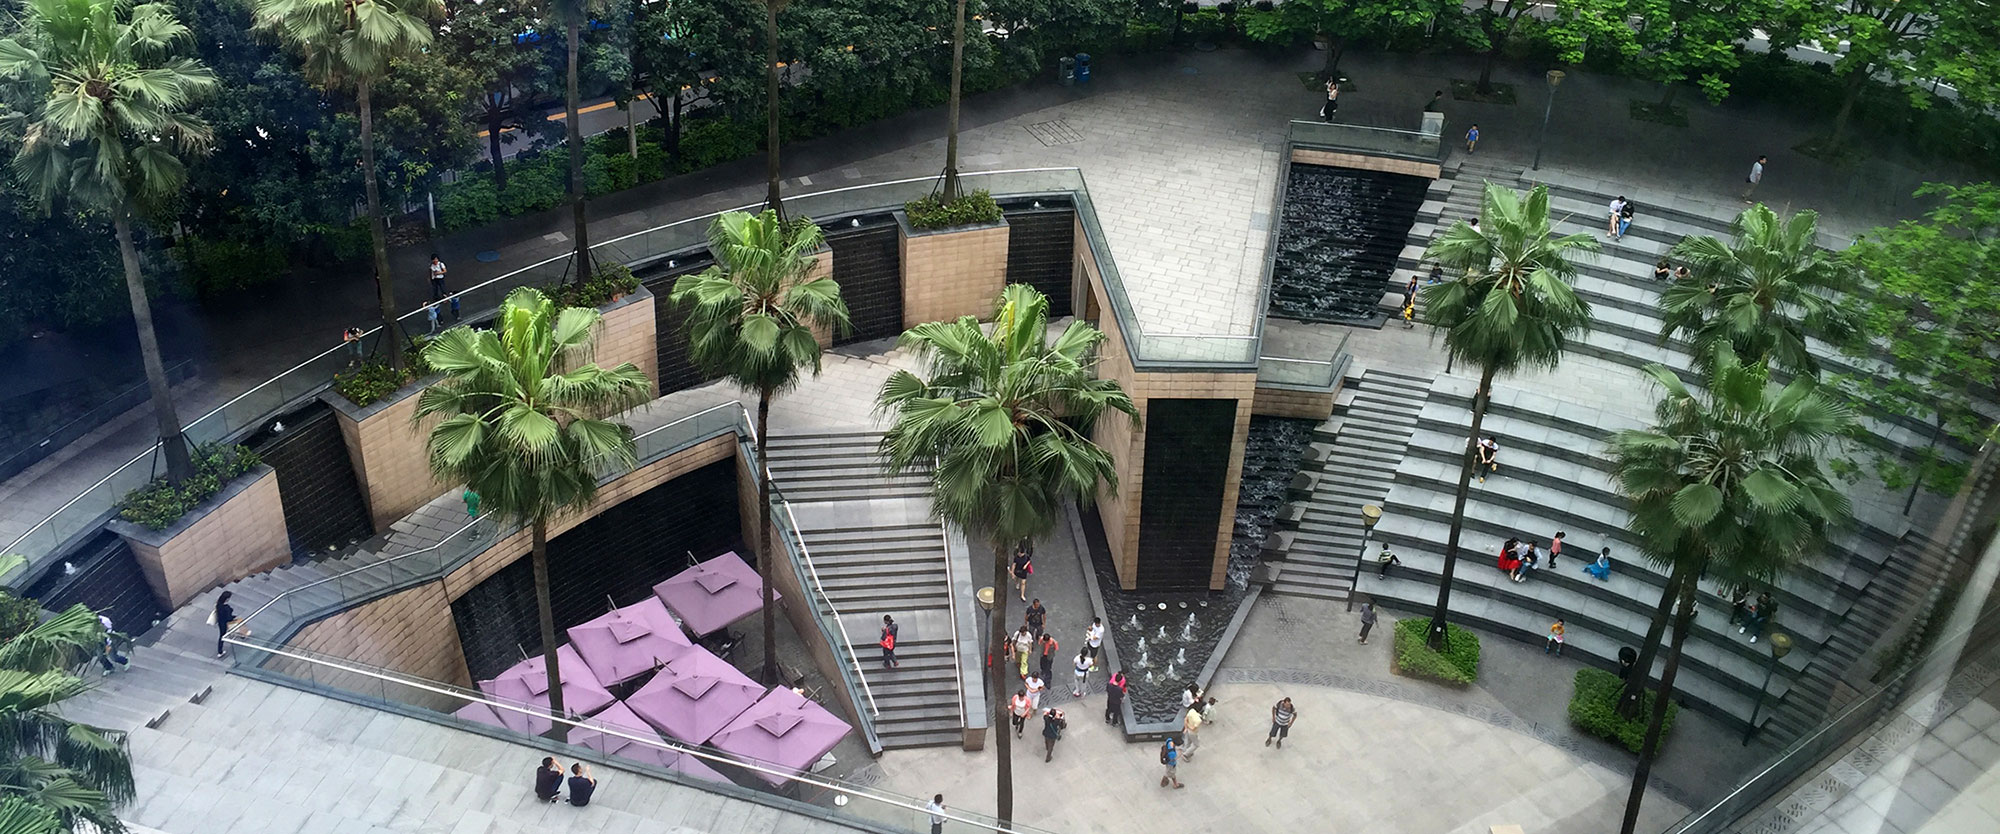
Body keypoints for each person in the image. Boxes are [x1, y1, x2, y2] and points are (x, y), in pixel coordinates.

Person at [212, 591, 236, 658]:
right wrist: (232, 616)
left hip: (220, 622)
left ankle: (220, 651)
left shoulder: (218, 604)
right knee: (222, 636)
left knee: (222, 634)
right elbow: (229, 618)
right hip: (225, 622)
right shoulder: (226, 607)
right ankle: (220, 651)